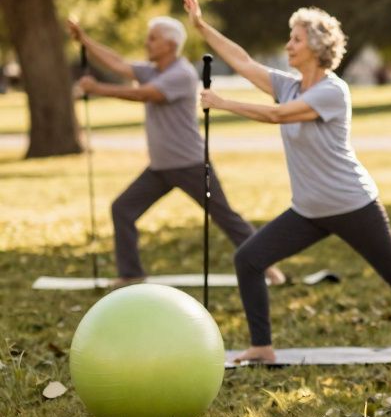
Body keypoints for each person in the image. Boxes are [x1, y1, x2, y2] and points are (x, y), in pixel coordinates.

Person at [183, 0, 391, 363]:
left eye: (296, 39)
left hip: (352, 204)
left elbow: (279, 116)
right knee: (249, 259)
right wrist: (200, 26)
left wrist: (224, 104)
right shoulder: (287, 84)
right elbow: (242, 60)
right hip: (308, 210)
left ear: (317, 47)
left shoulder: (333, 91)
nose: (289, 44)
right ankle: (262, 346)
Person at [69, 17, 284, 287]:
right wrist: (85, 40)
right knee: (122, 209)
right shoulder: (154, 70)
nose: (147, 43)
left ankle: (268, 267)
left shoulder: (181, 74)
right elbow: (118, 64)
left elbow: (146, 95)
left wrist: (98, 89)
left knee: (225, 217)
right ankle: (131, 274)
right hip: (160, 167)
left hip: (190, 165)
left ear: (170, 44)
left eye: (153, 38)